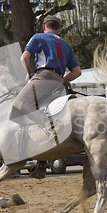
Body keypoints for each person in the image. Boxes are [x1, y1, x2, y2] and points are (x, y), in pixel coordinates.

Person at [11, 15, 81, 179]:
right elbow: (77, 71)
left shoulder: (38, 37)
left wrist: (30, 75)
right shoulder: (65, 45)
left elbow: (24, 57)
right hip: (58, 84)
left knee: (20, 103)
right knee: (43, 111)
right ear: (58, 29)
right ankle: (41, 164)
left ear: (44, 27)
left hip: (42, 78)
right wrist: (61, 80)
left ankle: (50, 128)